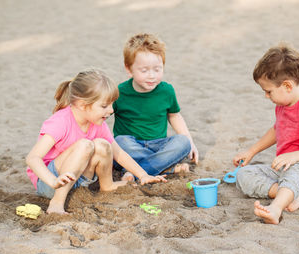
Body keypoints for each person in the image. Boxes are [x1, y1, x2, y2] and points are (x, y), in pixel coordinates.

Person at [26, 69, 166, 214]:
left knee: (103, 145)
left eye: (112, 104)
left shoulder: (97, 123)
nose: (111, 110)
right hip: (51, 184)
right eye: (104, 106)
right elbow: (32, 158)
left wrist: (143, 175)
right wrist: (53, 181)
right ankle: (57, 202)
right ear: (82, 104)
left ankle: (107, 185)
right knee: (85, 145)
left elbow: (118, 153)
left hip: (78, 180)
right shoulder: (60, 122)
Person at [233, 44, 299, 224]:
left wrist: (294, 156)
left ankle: (276, 208)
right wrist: (251, 152)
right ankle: (292, 195)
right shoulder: (283, 105)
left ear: (287, 85)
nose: (266, 96)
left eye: (268, 91)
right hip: (288, 171)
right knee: (243, 175)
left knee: (296, 168)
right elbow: (276, 130)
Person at [112, 33, 198, 179]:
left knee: (183, 142)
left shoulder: (166, 90)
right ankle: (165, 168)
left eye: (157, 69)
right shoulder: (119, 92)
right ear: (129, 69)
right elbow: (100, 116)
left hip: (159, 146)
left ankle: (135, 171)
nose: (151, 76)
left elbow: (174, 115)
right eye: (144, 70)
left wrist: (191, 142)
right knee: (119, 141)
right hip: (131, 146)